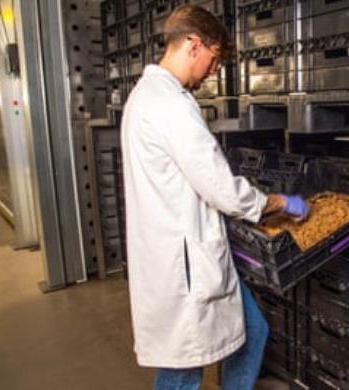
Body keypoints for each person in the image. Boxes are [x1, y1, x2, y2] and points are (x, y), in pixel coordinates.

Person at [120, 5, 309, 390]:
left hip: (189, 254)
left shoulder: (150, 95)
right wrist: (278, 202)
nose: (213, 71)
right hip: (185, 266)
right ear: (193, 43)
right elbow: (222, 189)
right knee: (182, 370)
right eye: (214, 59)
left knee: (252, 330)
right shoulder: (168, 105)